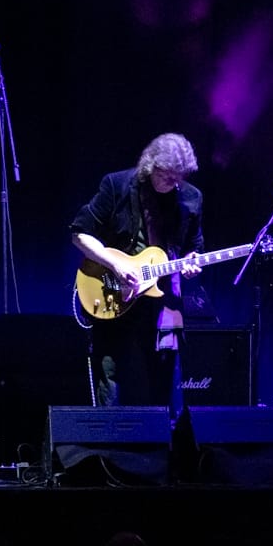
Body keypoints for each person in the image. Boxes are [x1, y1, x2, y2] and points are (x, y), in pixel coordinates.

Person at [70, 132, 204, 418]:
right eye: (167, 176)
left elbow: (193, 247)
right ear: (150, 166)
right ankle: (108, 436)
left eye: (178, 178)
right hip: (114, 290)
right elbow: (80, 234)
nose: (173, 183)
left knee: (164, 376)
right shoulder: (117, 185)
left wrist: (192, 263)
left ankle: (163, 439)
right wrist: (116, 265)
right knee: (110, 372)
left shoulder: (191, 198)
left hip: (162, 301)